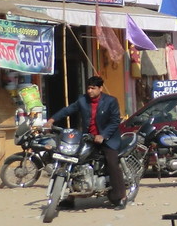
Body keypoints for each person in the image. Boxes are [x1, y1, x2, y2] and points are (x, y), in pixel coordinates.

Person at [47, 75, 126, 208]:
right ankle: (70, 197)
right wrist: (52, 120)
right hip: (88, 138)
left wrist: (103, 135)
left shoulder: (111, 101)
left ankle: (120, 197)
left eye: (93, 88)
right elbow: (68, 110)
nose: (90, 91)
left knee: (112, 163)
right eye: (88, 88)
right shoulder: (82, 100)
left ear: (100, 88)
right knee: (73, 161)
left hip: (108, 139)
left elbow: (115, 121)